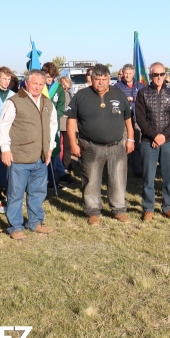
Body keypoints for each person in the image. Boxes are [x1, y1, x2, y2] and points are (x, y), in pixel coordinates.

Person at [67, 64, 135, 225]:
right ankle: (93, 211)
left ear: (108, 79)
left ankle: (118, 210)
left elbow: (128, 119)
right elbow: (71, 121)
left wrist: (130, 139)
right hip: (90, 146)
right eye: (98, 79)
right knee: (91, 180)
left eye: (104, 79)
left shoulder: (118, 94)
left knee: (118, 179)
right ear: (92, 79)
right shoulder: (81, 95)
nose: (101, 83)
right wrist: (73, 143)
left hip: (117, 145)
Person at [0, 69, 58, 240]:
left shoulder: (47, 102)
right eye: (34, 83)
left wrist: (50, 147)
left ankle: (35, 222)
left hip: (41, 157)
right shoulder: (14, 101)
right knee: (15, 193)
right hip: (19, 156)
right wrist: (5, 149)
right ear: (26, 83)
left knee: (38, 192)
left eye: (41, 84)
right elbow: (2, 126)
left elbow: (53, 126)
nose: (37, 87)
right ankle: (15, 226)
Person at [134, 62, 170, 221]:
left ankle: (168, 207)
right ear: (150, 76)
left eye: (162, 74)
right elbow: (140, 118)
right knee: (149, 177)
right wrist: (154, 136)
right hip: (149, 141)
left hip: (168, 141)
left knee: (168, 176)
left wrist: (163, 136)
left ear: (165, 75)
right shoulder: (142, 93)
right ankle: (148, 208)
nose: (159, 77)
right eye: (156, 75)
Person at [115, 64, 145, 177]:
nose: (127, 75)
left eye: (130, 73)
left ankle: (137, 169)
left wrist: (134, 100)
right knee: (123, 144)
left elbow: (143, 100)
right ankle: (123, 170)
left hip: (137, 119)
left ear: (133, 74)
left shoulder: (140, 86)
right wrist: (125, 100)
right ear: (123, 73)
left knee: (137, 144)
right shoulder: (117, 87)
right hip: (123, 120)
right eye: (125, 73)